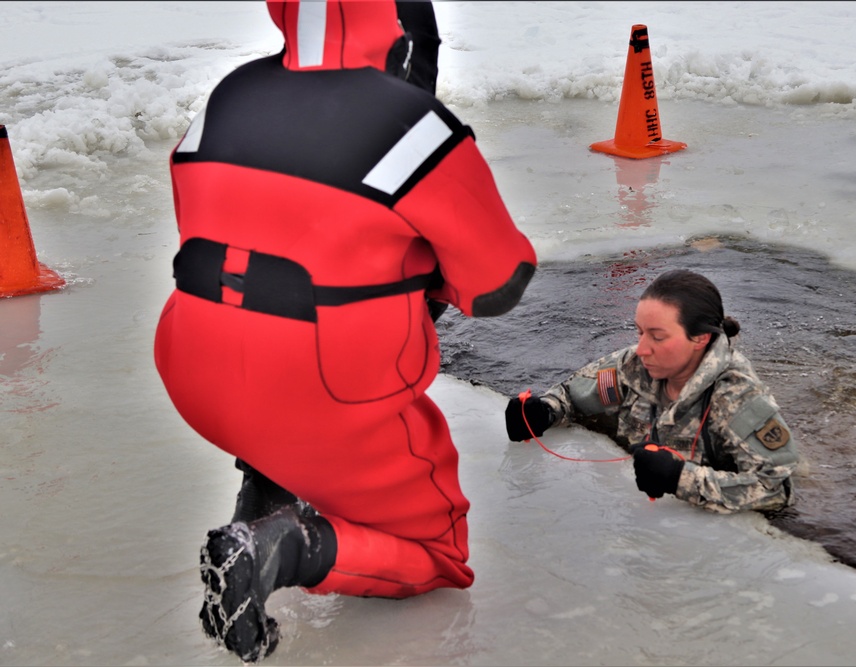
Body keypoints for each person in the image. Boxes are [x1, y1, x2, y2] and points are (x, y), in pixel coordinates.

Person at [153, 0, 536, 662]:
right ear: (403, 33)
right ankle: (287, 544)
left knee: (263, 305)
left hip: (195, 373)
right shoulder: (415, 125)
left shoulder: (228, 93)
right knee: (438, 557)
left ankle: (267, 483)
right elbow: (498, 284)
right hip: (326, 386)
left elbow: (213, 226)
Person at [504, 269, 798, 514]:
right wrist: (544, 411)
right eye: (639, 332)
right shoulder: (634, 366)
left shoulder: (738, 399)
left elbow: (777, 490)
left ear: (700, 338)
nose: (642, 349)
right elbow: (573, 396)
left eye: (657, 337)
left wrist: (680, 478)